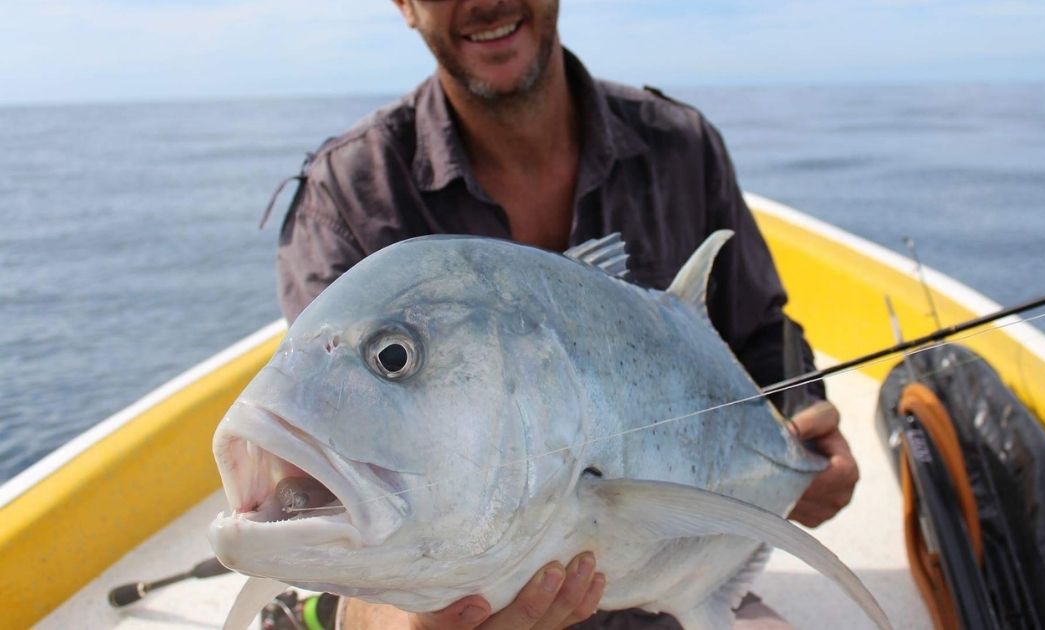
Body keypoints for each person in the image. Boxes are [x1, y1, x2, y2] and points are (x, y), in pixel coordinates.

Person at [271, 1, 860, 628]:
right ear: (405, 5)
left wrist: (802, 435)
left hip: (677, 584)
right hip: (463, 597)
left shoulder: (681, 147)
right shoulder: (348, 195)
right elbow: (330, 479)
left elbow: (760, 332)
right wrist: (402, 623)